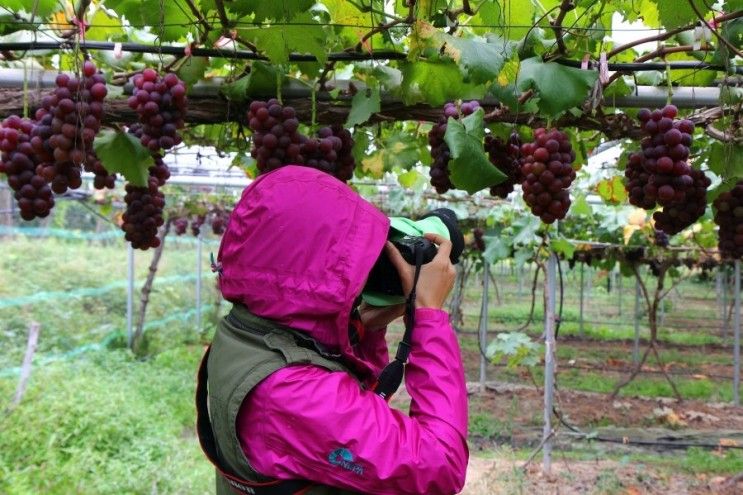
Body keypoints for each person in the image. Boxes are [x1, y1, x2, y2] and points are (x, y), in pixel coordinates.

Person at [199, 165, 469, 495]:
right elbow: (439, 465)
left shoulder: (247, 332)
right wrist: (429, 318)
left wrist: (362, 329)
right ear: (314, 268)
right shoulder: (293, 395)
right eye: (353, 260)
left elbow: (354, 406)